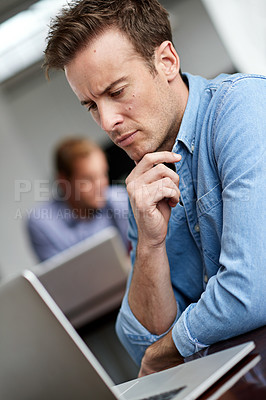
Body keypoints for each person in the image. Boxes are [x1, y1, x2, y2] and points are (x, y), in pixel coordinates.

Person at [43, 0, 266, 377]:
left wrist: (166, 352)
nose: (108, 122)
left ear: (166, 62)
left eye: (116, 91)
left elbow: (250, 289)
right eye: (91, 106)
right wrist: (149, 244)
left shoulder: (243, 108)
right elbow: (140, 339)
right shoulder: (143, 181)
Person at [27, 137, 130, 262]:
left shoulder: (120, 199)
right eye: (88, 179)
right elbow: (61, 278)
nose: (101, 186)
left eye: (103, 174)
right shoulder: (42, 223)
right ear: (64, 182)